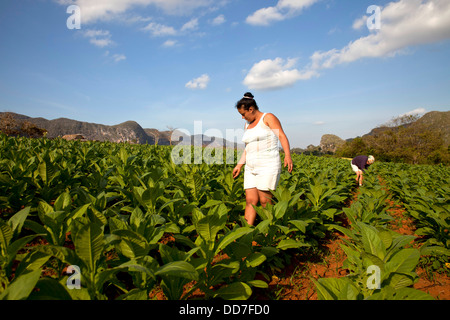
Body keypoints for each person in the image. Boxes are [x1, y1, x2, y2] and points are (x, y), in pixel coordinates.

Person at [232, 92, 293, 226]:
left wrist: (287, 155)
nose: (242, 117)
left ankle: (268, 235)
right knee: (250, 200)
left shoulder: (268, 117)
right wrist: (239, 165)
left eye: (243, 114)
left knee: (265, 201)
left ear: (251, 109)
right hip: (250, 167)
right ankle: (246, 233)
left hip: (268, 165)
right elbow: (248, 147)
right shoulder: (247, 125)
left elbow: (282, 136)